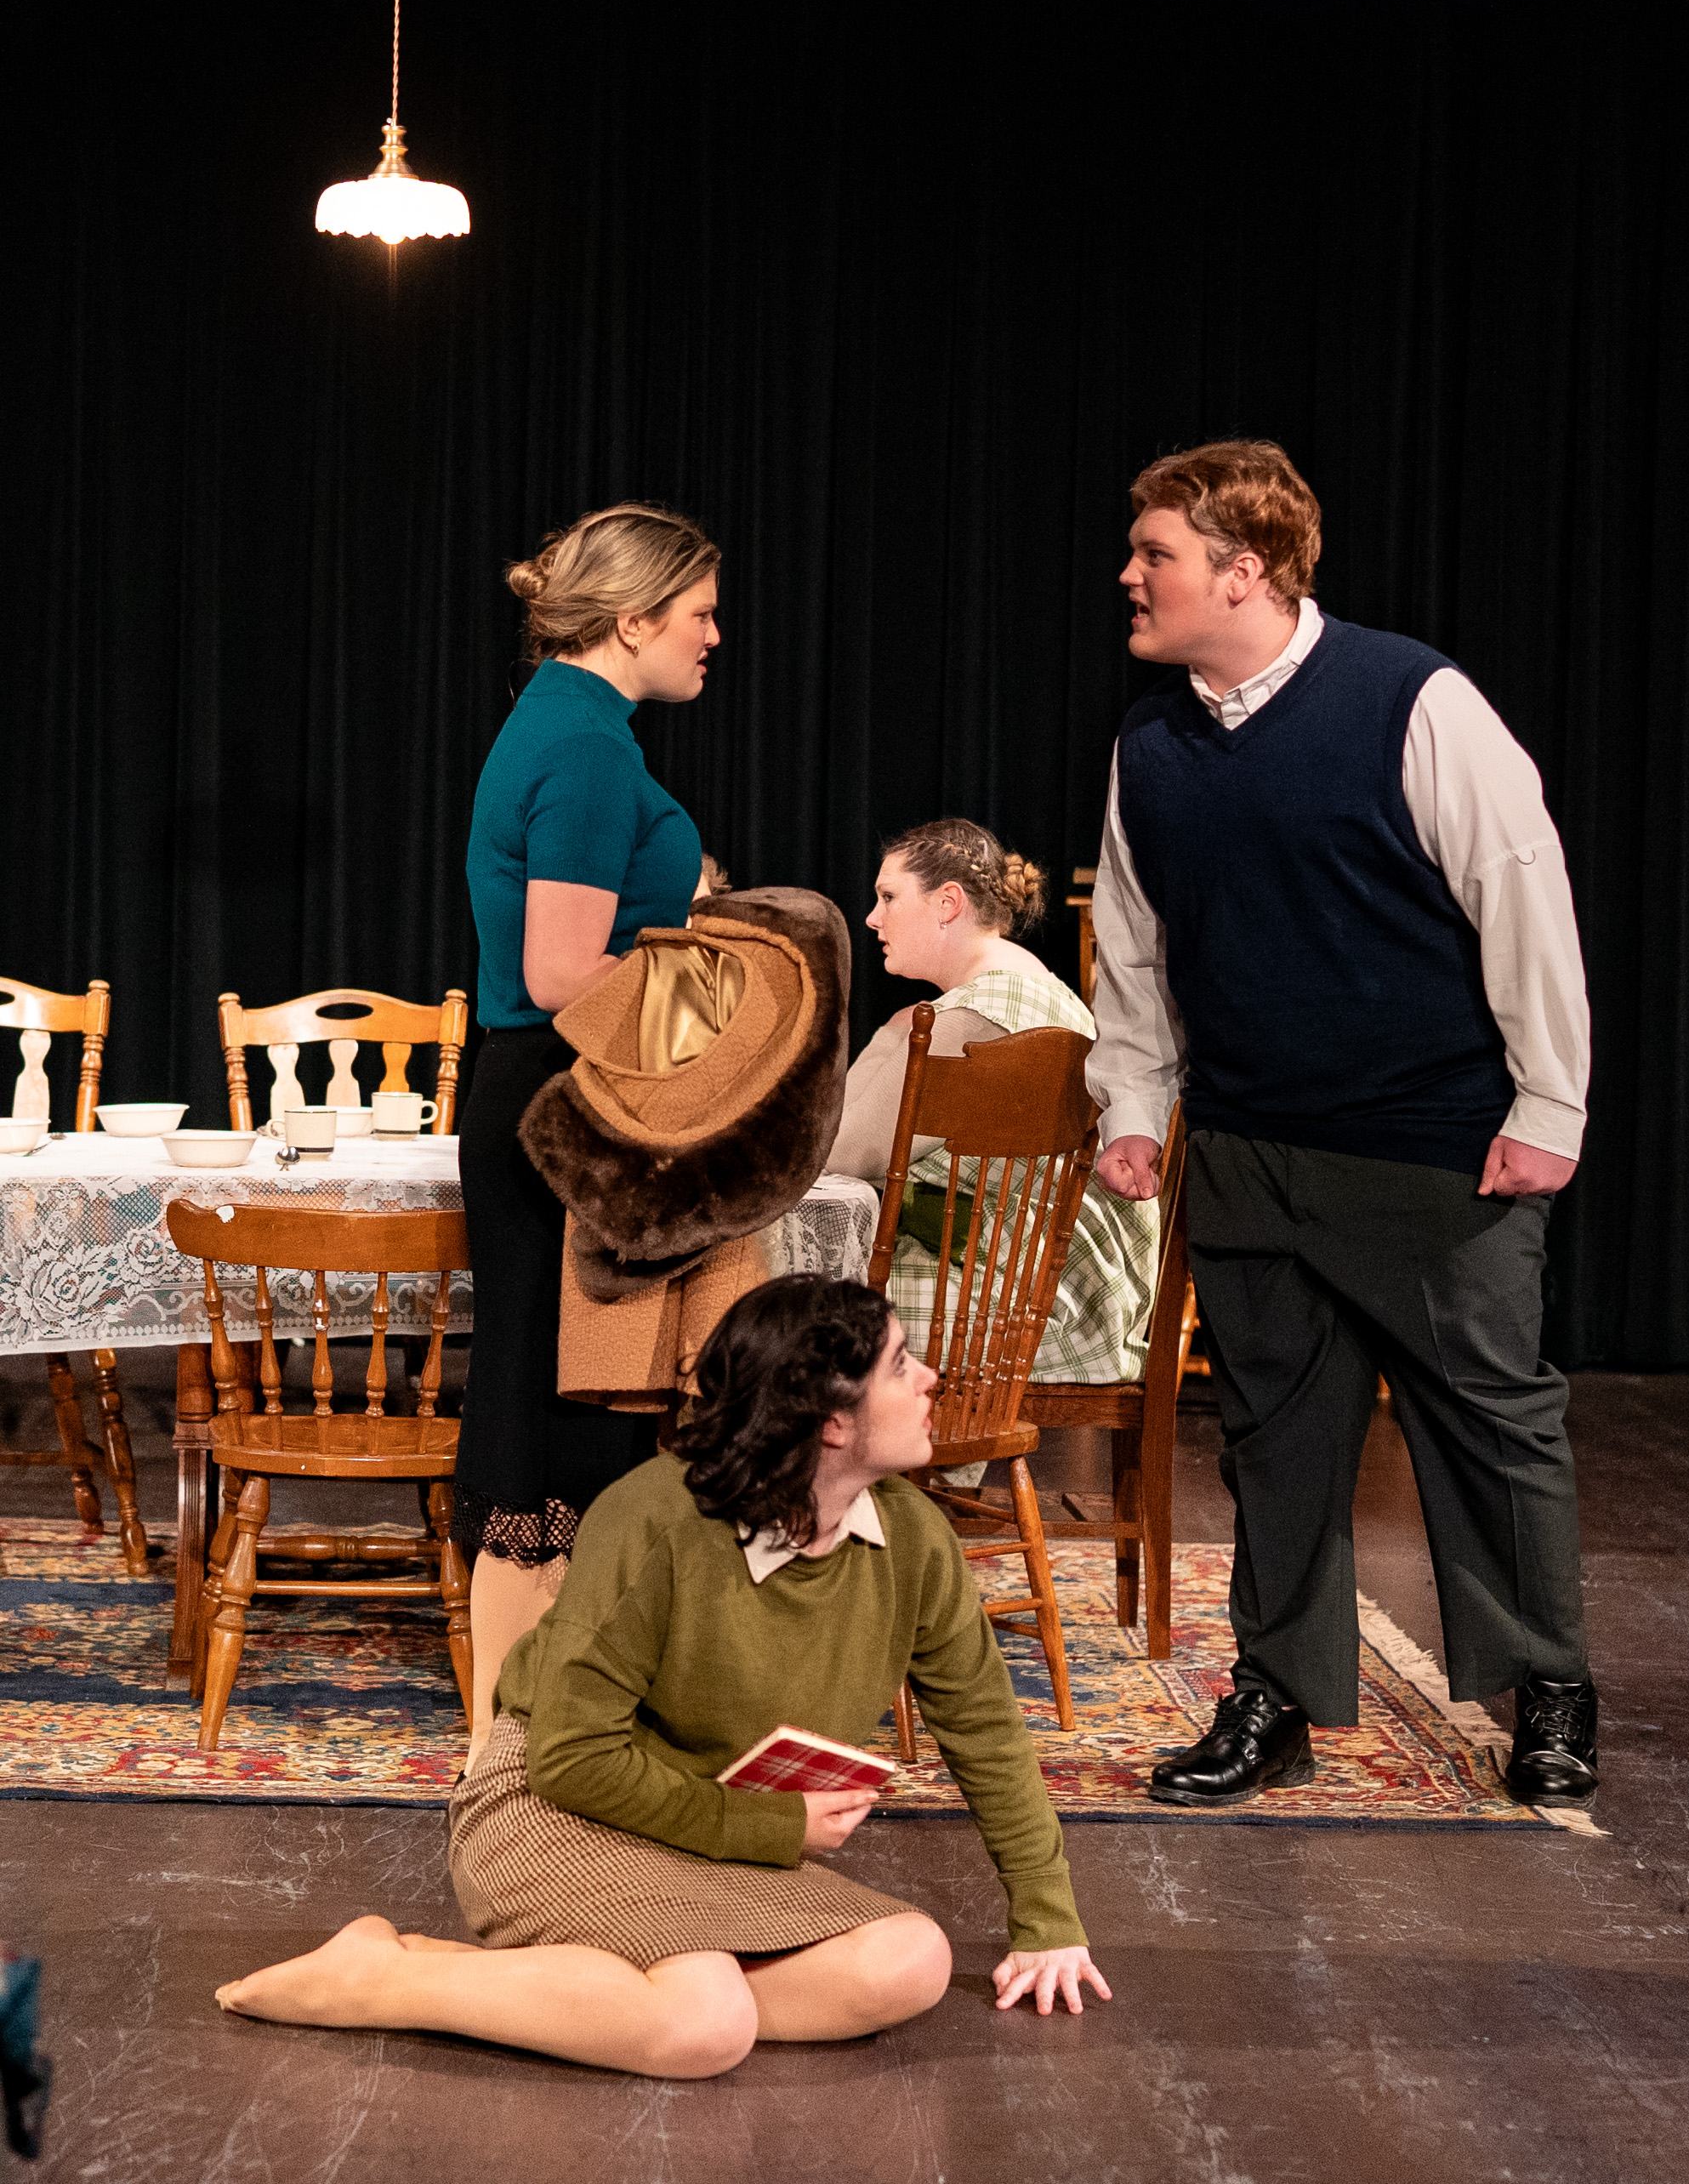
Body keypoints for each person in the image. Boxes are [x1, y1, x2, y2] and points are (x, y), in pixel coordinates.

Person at [215, 1277, 1110, 2076]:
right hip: (552, 1806)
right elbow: (571, 1759)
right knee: (703, 2022)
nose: (930, 1380)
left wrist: (1048, 1919)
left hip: (701, 1828)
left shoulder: (913, 1538)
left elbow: (985, 1729)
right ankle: (385, 1978)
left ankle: (611, 1994)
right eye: (900, 1365)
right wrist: (773, 1824)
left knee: (909, 1960)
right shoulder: (654, 1519)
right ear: (831, 1421)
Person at [1086, 441, 1599, 1806]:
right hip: (1247, 1145)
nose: (1128, 575)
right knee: (1274, 1433)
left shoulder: (1410, 699)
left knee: (1486, 1424)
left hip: (1432, 1145)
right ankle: (1277, 1694)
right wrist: (1132, 1101)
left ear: (1240, 570)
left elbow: (1522, 896)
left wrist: (1549, 1101)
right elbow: (1133, 947)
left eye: (1154, 553)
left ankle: (1546, 1686)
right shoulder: (1150, 742)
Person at [455, 502, 723, 1766]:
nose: (712, 636)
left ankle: (553, 1717)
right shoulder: (585, 745)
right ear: (631, 618)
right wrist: (716, 995)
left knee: (569, 1393)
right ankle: (509, 1741)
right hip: (561, 1101)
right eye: (700, 613)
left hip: (561, 1094)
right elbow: (560, 971)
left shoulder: (569, 724)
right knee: (545, 1398)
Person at [827, 819, 1158, 1389]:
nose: (873, 918)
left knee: (794, 1304)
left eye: (889, 897)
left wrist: (888, 1037)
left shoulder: (974, 1017)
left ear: (948, 902)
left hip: (1032, 1309)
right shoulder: (1036, 988)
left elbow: (841, 1154)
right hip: (1090, 1296)